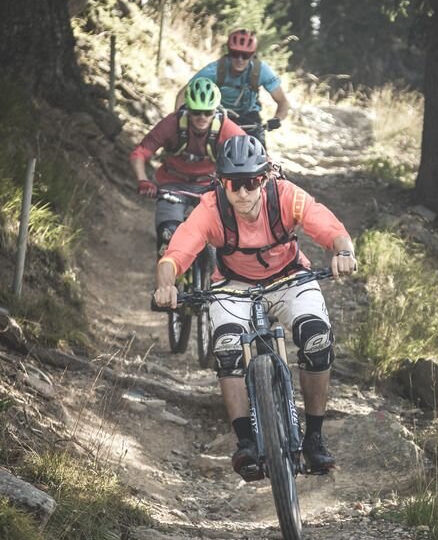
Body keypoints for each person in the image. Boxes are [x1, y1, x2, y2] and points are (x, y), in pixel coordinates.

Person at [154, 134, 356, 480]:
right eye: (234, 183)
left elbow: (331, 229)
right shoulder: (210, 209)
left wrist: (344, 252)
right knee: (227, 346)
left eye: (251, 182)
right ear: (222, 182)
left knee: (316, 339)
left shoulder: (287, 196)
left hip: (290, 278)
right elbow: (175, 255)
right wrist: (166, 285)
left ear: (264, 178)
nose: (243, 192)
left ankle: (314, 437)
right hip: (234, 285)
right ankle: (245, 441)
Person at [130, 78, 244, 257]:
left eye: (208, 112)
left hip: (210, 187)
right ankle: (167, 273)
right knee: (168, 237)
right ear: (188, 109)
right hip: (173, 186)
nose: (202, 117)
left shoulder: (226, 128)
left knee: (222, 244)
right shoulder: (172, 124)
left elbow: (249, 152)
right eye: (196, 112)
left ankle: (215, 273)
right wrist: (143, 180)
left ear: (215, 110)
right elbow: (140, 152)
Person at [175, 29, 290, 147]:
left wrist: (277, 119)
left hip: (249, 116)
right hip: (219, 113)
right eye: (235, 54)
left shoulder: (261, 70)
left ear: (252, 55)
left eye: (245, 55)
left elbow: (283, 102)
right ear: (229, 53)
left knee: (258, 150)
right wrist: (178, 119)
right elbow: (185, 92)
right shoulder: (214, 70)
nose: (240, 59)